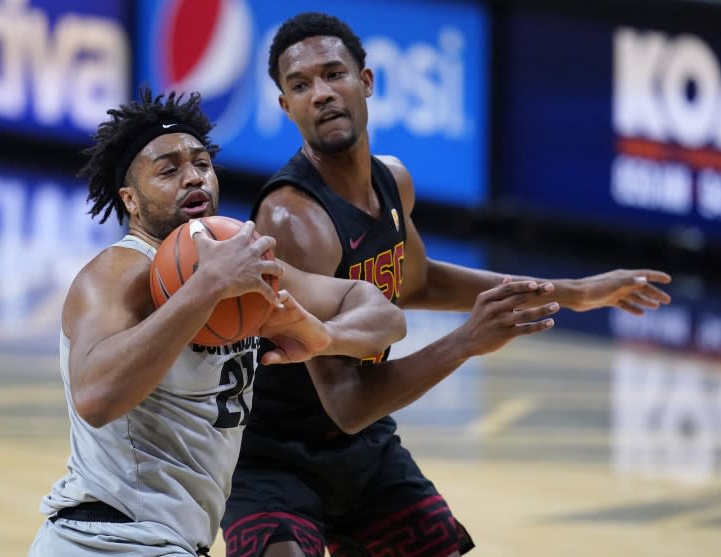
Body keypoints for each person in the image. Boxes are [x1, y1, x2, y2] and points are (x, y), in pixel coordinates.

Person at [221, 12, 674, 557]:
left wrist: (572, 292)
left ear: (366, 82)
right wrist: (465, 341)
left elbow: (418, 280)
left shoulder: (393, 181)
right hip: (276, 457)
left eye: (333, 74)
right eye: (300, 85)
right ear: (285, 107)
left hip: (362, 449)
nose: (320, 93)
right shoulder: (293, 219)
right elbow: (348, 402)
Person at [27, 87, 413, 557]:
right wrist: (206, 287)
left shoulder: (243, 261)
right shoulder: (115, 274)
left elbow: (384, 315)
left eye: (202, 164)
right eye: (169, 170)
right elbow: (95, 397)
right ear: (130, 199)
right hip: (105, 539)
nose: (193, 178)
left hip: (169, 542)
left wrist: (324, 336)